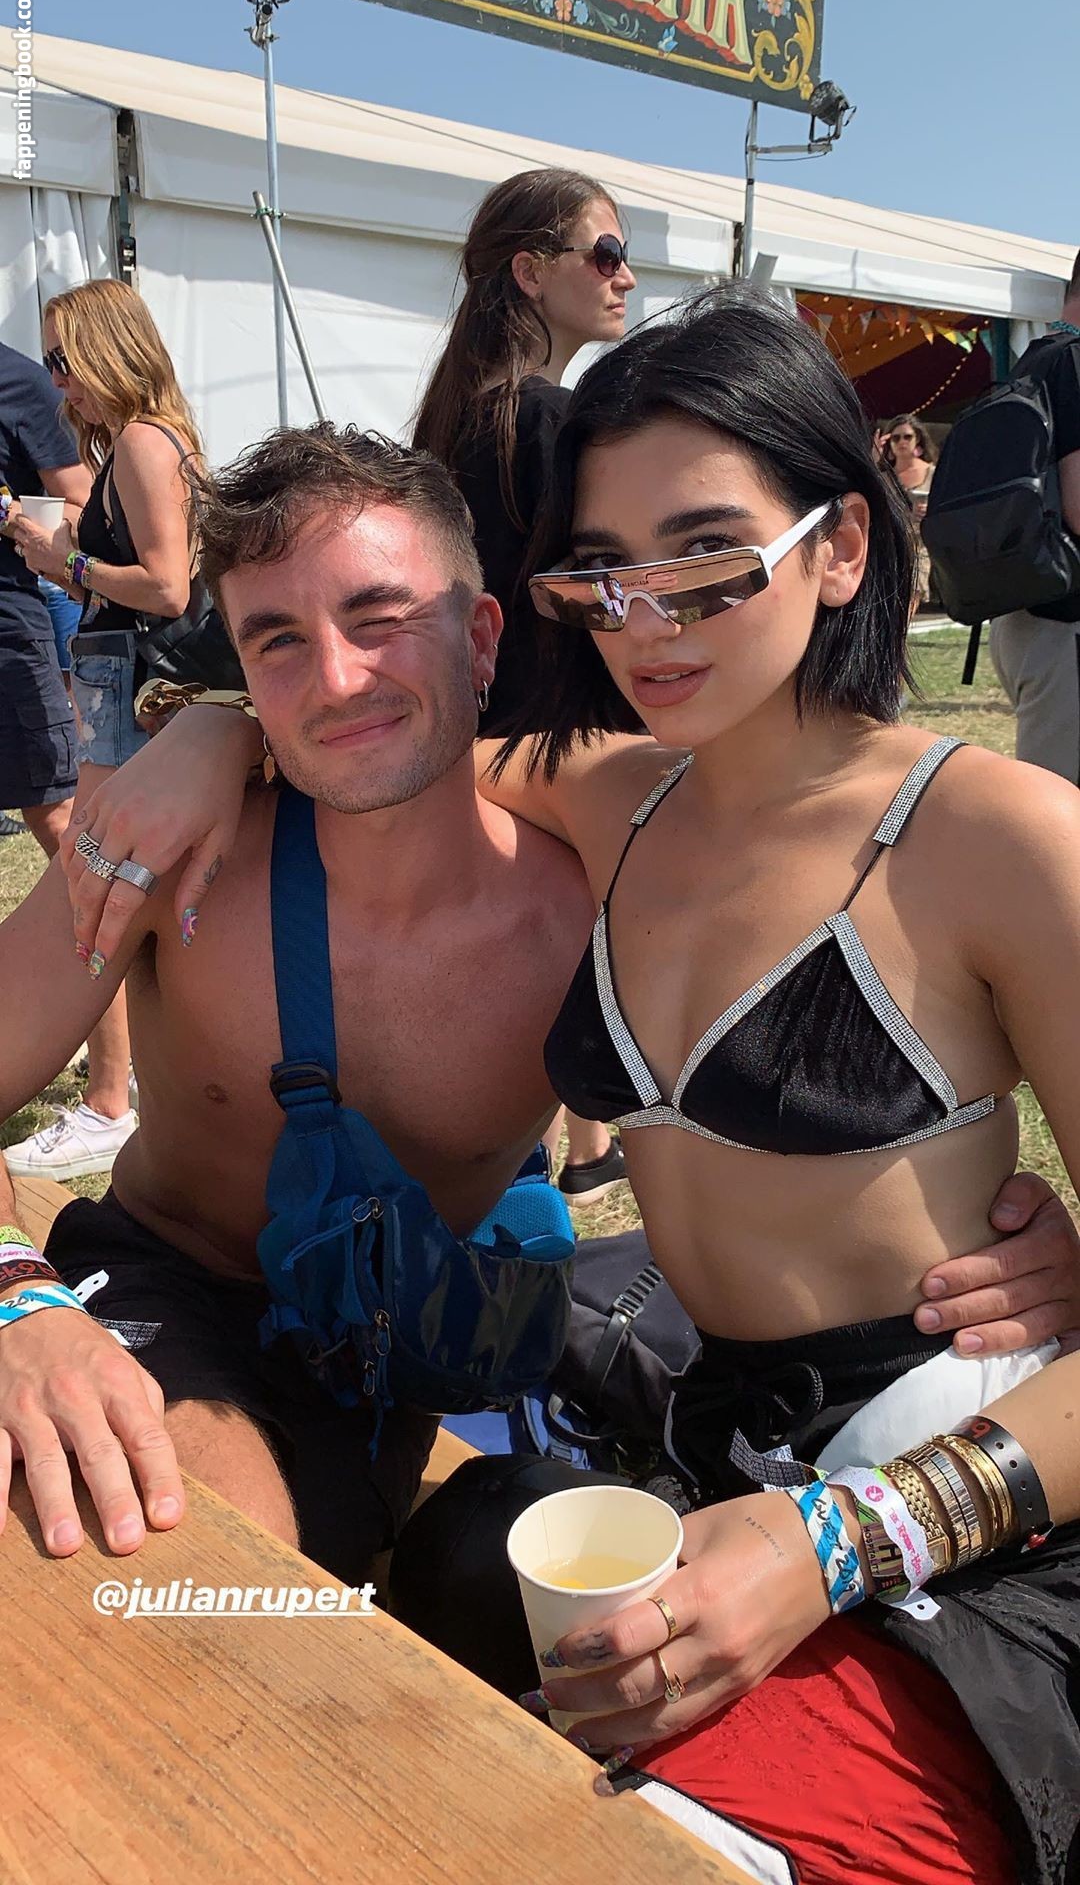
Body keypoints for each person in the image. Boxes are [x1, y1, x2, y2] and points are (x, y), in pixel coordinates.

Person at [381, 288, 1080, 1880]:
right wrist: (195, 744)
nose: (645, 621)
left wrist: (839, 1540)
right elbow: (368, 759)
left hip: (974, 1500)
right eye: (601, 571)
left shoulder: (997, 836)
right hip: (717, 1443)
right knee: (436, 1603)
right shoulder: (611, 794)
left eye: (707, 558)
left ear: (842, 547)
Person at [0, 422, 598, 1586]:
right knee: (172, 1548)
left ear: (481, 637)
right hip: (167, 1286)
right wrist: (19, 1303)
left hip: (392, 1355)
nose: (335, 679)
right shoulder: (167, 855)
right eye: (277, 640)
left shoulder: (586, 916)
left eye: (379, 618)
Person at [414, 167, 638, 1205]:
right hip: (562, 750)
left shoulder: (457, 419)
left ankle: (570, 1157)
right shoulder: (549, 421)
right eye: (607, 252)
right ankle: (569, 1160)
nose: (625, 276)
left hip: (482, 752)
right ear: (531, 270)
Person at [7, 281, 204, 1182]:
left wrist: (68, 560)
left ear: (106, 350)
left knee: (102, 888)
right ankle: (135, 1096)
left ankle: (109, 1102)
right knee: (122, 890)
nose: (57, 383)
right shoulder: (149, 439)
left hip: (129, 688)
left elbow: (166, 587)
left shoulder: (141, 442)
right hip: (127, 686)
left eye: (64, 360)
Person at [990, 254, 1080, 781]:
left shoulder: (1036, 360)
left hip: (1028, 615)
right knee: (1064, 807)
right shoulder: (1073, 363)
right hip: (1063, 629)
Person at [0, 337, 90, 857]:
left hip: (7, 631)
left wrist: (10, 516)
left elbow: (82, 508)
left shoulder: (20, 383)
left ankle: (110, 914)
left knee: (55, 806)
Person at [885, 412, 936, 606]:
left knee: (914, 593)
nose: (901, 442)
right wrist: (873, 457)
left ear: (917, 439)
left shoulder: (932, 472)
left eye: (907, 436)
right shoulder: (884, 477)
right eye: (895, 438)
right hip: (891, 545)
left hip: (921, 544)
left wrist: (930, 509)